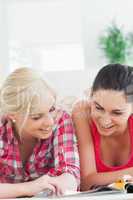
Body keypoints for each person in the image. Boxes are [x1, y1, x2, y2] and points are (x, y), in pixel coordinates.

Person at [0, 67, 80, 198]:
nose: (49, 122)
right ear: (12, 115)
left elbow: (71, 173)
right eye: (37, 117)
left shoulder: (60, 119)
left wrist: (64, 183)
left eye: (51, 109)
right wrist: (28, 188)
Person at [72, 63, 133, 191]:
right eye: (98, 108)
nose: (105, 121)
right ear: (90, 96)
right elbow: (86, 183)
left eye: (117, 112)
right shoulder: (82, 114)